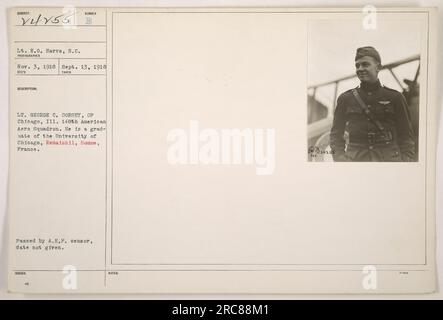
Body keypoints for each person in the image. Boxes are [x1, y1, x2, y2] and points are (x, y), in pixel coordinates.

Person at [329, 46, 415, 162]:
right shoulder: (345, 98)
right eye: (357, 65)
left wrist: (405, 162)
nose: (360, 69)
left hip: (389, 162)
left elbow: (406, 137)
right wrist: (341, 160)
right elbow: (335, 135)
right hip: (356, 161)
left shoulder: (395, 97)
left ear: (378, 67)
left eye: (365, 64)